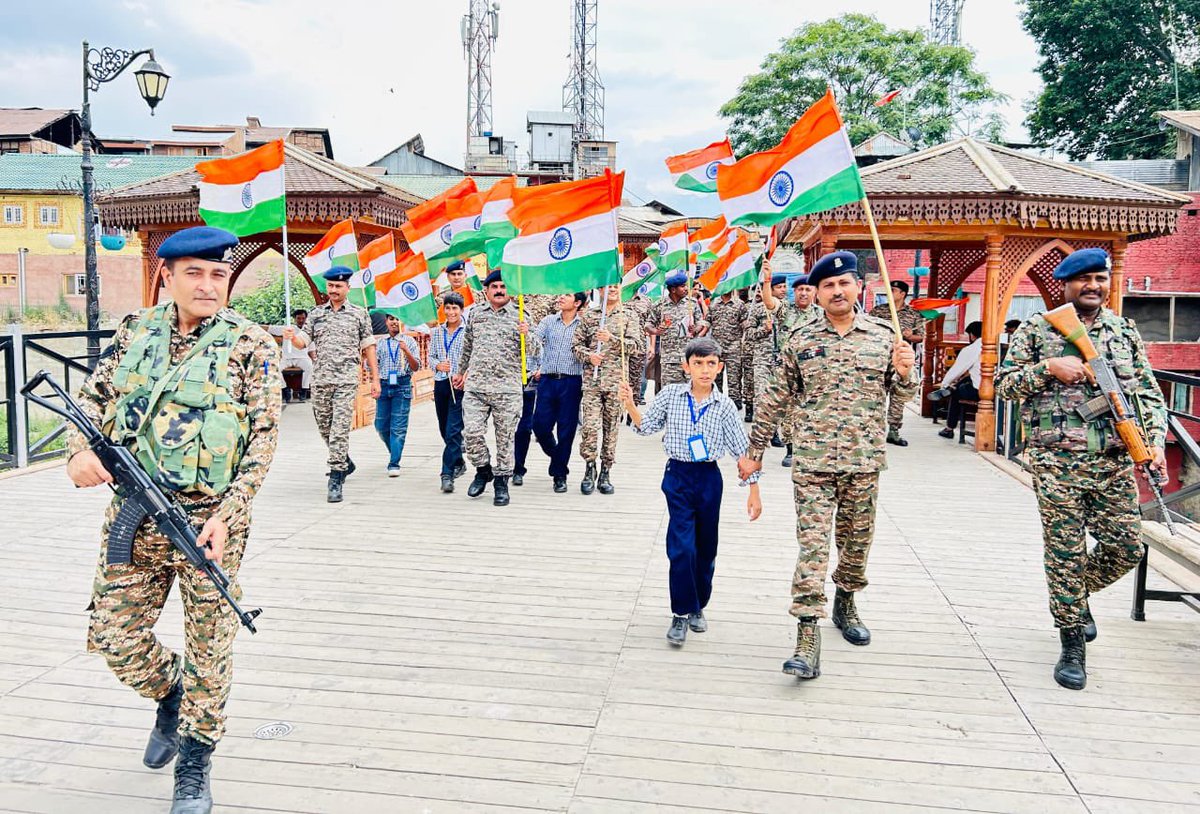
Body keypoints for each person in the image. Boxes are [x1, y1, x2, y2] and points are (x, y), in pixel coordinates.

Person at [64, 226, 282, 814]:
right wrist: (77, 453)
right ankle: (173, 694)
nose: (209, 285)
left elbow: (263, 442)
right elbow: (91, 399)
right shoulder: (137, 331)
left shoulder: (252, 345)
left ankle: (195, 759)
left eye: (219, 274)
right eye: (195, 273)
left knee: (211, 646)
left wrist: (230, 514)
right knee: (114, 637)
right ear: (168, 276)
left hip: (209, 523)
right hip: (134, 515)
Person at [995, 248, 1167, 691]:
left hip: (1112, 460)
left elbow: (1146, 393)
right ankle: (1072, 641)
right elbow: (1006, 384)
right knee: (1065, 553)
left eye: (1100, 278)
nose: (1094, 286)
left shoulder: (1123, 331)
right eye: (1084, 279)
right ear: (1065, 285)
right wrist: (1049, 368)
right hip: (1057, 463)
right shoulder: (1039, 329)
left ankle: (1072, 596)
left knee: (1127, 547)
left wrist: (1155, 445)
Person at [740, 251, 916, 681]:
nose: (837, 291)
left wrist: (907, 373)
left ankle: (847, 598)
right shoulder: (799, 339)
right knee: (813, 547)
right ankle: (806, 633)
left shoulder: (883, 336)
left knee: (856, 546)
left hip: (863, 461)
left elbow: (902, 396)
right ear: (817, 294)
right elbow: (775, 398)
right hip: (813, 461)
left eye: (844, 284)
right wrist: (755, 451)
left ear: (859, 288)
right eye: (828, 286)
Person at [621, 337, 761, 646]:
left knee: (706, 546)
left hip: (709, 478)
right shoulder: (671, 395)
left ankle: (699, 604)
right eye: (698, 363)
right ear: (686, 367)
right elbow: (647, 428)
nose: (704, 370)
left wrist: (754, 490)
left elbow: (742, 451)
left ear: (720, 367)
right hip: (678, 475)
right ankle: (681, 613)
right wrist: (631, 405)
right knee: (681, 545)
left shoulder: (724, 405)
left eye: (711, 364)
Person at [456, 270, 539, 506]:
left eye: (503, 286)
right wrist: (461, 371)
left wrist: (528, 336)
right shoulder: (475, 314)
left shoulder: (521, 314)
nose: (500, 290)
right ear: (487, 290)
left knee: (505, 440)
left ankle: (502, 482)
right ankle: (483, 470)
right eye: (494, 287)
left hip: (508, 389)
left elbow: (536, 352)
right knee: (471, 433)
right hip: (477, 387)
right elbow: (467, 346)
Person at [297, 266, 379, 503]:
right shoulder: (316, 314)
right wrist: (293, 337)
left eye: (338, 286)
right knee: (325, 427)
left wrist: (375, 379)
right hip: (321, 379)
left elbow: (369, 347)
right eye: (330, 286)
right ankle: (345, 460)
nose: (333, 290)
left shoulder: (358, 314)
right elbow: (304, 341)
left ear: (347, 288)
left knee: (340, 428)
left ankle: (335, 476)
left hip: (345, 380)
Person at [575, 284, 643, 494]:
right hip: (592, 382)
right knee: (590, 427)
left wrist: (611, 339)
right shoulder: (589, 315)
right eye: (607, 286)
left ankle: (606, 470)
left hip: (616, 382)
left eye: (615, 286)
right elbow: (576, 345)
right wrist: (589, 356)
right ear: (599, 290)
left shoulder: (629, 315)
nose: (612, 289)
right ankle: (589, 467)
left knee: (611, 428)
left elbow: (636, 347)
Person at [532, 292, 587, 492]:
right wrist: (526, 335)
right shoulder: (548, 321)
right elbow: (534, 344)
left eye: (567, 295)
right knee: (539, 425)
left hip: (572, 382)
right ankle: (558, 458)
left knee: (566, 429)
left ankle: (559, 474)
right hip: (547, 379)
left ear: (578, 302)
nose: (561, 298)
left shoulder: (584, 324)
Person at [870, 279, 926, 447]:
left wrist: (910, 336)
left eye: (893, 290)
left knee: (898, 396)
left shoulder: (913, 314)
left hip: (901, 359)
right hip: (879, 357)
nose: (890, 292)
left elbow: (921, 336)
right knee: (877, 393)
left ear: (902, 294)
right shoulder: (878, 311)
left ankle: (894, 430)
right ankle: (873, 429)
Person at [512, 293, 556, 485]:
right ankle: (516, 468)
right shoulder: (505, 309)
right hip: (507, 381)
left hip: (535, 378)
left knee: (533, 427)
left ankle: (557, 457)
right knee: (511, 428)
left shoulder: (548, 300)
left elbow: (543, 346)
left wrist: (541, 368)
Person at [780, 274, 820, 467]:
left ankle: (811, 448)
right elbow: (770, 302)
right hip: (788, 369)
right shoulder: (784, 310)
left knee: (814, 410)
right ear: (794, 292)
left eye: (808, 289)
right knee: (788, 411)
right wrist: (767, 281)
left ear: (815, 292)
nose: (804, 293)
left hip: (814, 370)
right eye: (800, 290)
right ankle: (789, 449)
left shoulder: (822, 314)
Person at [374, 313, 421, 476]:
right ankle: (394, 450)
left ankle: (394, 462)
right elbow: (372, 366)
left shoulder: (409, 341)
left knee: (398, 427)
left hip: (402, 385)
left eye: (397, 319)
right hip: (384, 385)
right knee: (380, 426)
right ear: (386, 322)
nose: (394, 322)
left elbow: (416, 367)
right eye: (391, 319)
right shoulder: (380, 343)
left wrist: (406, 351)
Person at [430, 292, 468, 492]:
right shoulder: (437, 332)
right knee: (444, 428)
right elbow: (431, 357)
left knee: (454, 429)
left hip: (459, 385)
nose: (451, 312)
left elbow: (473, 357)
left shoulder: (468, 331)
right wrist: (439, 365)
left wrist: (464, 374)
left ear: (461, 310)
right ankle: (459, 461)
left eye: (455, 308)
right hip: (441, 383)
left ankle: (447, 473)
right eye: (448, 308)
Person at [646, 273, 709, 388]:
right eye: (682, 286)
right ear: (673, 289)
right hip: (669, 358)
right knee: (670, 392)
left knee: (692, 389)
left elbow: (701, 322)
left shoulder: (692, 303)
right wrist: (656, 331)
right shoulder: (660, 305)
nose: (686, 289)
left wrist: (695, 329)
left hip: (690, 356)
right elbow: (648, 324)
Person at [744, 273, 788, 426]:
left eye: (784, 286)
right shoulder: (757, 310)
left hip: (781, 360)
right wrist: (763, 330)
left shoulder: (788, 308)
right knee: (761, 395)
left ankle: (776, 430)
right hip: (762, 359)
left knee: (779, 397)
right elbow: (748, 334)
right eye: (779, 287)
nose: (783, 290)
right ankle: (760, 428)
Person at [933, 320, 982, 439]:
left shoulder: (972, 349)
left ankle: (949, 428)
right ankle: (953, 387)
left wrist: (944, 384)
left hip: (979, 391)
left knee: (956, 393)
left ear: (972, 335)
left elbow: (956, 370)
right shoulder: (995, 345)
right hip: (995, 389)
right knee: (965, 381)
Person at [707, 288, 749, 409]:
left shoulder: (739, 304)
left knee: (734, 378)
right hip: (716, 349)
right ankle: (717, 402)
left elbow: (745, 323)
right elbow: (707, 321)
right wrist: (697, 330)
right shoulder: (713, 303)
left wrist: (748, 325)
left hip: (734, 348)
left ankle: (734, 403)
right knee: (716, 377)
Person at [270, 308, 313, 402]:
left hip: (302, 358)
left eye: (303, 318)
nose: (301, 320)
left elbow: (312, 350)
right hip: (286, 358)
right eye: (298, 318)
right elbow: (270, 328)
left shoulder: (309, 330)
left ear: (306, 319)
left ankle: (304, 390)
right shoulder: (288, 328)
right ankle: (285, 389)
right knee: (274, 368)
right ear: (294, 319)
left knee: (310, 366)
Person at [625, 289, 654, 405]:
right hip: (618, 346)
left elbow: (651, 324)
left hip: (639, 346)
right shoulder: (618, 297)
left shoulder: (646, 301)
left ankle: (633, 412)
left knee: (636, 381)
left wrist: (651, 345)